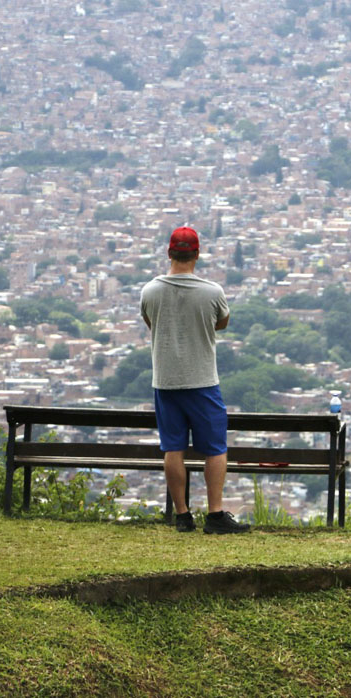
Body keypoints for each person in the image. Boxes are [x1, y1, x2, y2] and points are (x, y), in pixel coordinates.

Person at [140, 226, 249, 534]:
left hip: (165, 381)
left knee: (172, 448)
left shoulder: (150, 291)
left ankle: (182, 515)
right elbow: (222, 323)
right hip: (202, 380)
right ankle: (215, 515)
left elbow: (151, 322)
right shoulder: (212, 292)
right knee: (215, 447)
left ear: (169, 252)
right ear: (197, 254)